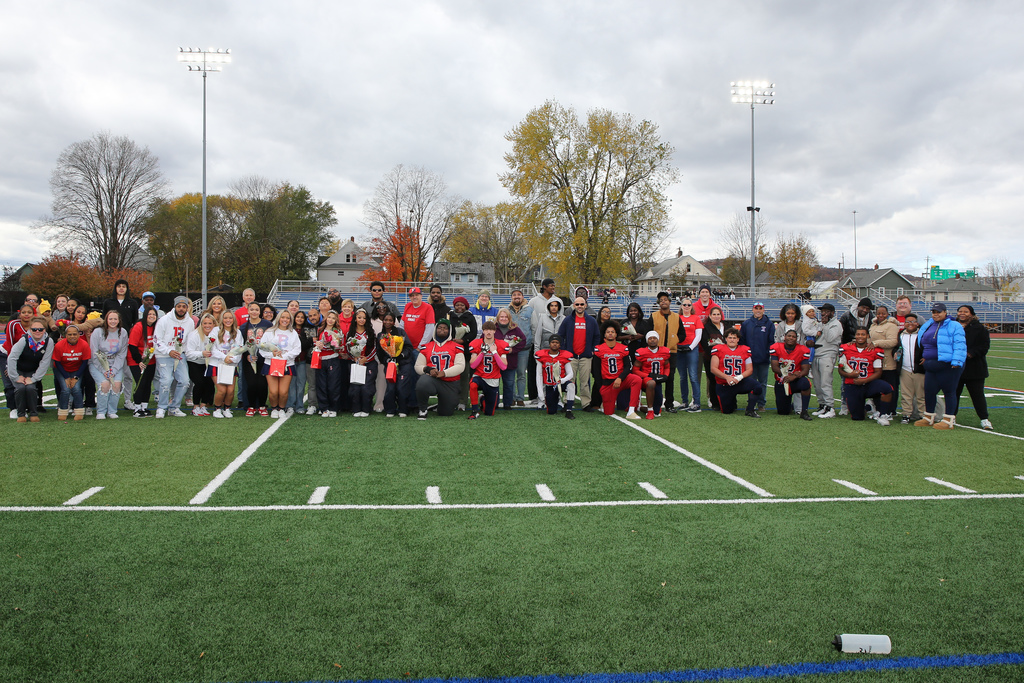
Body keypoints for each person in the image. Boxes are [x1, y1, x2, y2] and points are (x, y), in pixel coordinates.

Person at [914, 303, 966, 430]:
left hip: (947, 364)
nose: (935, 314)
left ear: (945, 312)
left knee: (949, 391)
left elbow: (960, 343)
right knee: (929, 391)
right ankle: (929, 416)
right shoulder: (930, 324)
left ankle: (948, 419)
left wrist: (957, 361)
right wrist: (925, 356)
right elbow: (925, 342)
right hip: (932, 365)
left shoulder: (954, 325)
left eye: (938, 312)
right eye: (933, 312)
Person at [838, 327, 896, 425]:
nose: (860, 336)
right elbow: (840, 370)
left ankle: (883, 415)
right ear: (855, 336)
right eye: (858, 334)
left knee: (887, 388)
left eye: (863, 334)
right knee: (858, 418)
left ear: (868, 336)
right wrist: (849, 375)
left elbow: (878, 372)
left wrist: (864, 381)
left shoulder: (875, 351)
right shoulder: (846, 348)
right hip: (852, 384)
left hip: (869, 383)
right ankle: (867, 407)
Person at [153, 296, 195, 418]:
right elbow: (157, 340)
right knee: (166, 381)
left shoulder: (190, 322)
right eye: (179, 306)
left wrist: (183, 351)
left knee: (185, 381)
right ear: (175, 307)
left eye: (184, 306)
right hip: (164, 354)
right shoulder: (164, 320)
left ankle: (174, 407)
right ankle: (161, 407)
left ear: (187, 308)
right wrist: (169, 351)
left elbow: (188, 340)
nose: (181, 309)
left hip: (179, 355)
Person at [415, 319, 465, 418]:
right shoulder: (427, 347)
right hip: (433, 380)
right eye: (439, 327)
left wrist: (444, 373)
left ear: (449, 330)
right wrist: (428, 370)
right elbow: (417, 366)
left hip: (450, 383)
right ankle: (423, 409)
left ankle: (440, 405)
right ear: (435, 329)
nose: (442, 330)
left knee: (446, 413)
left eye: (445, 328)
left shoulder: (457, 347)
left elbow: (460, 366)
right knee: (422, 382)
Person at [6, 317, 53, 422]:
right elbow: (12, 358)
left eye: (40, 329)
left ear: (45, 330)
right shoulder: (24, 340)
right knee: (20, 388)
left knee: (31, 388)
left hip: (32, 371)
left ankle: (33, 413)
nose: (37, 331)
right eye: (34, 329)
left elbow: (45, 362)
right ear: (30, 329)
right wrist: (15, 377)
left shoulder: (49, 342)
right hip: (18, 370)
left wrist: (34, 378)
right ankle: (21, 414)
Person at [593, 320, 642, 419]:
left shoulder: (623, 348)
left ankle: (631, 411)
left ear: (616, 334)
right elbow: (595, 370)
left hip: (621, 381)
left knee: (637, 379)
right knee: (608, 412)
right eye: (608, 332)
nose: (610, 333)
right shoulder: (599, 349)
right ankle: (606, 402)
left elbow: (628, 366)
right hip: (608, 384)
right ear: (604, 334)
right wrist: (601, 387)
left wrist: (620, 378)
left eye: (612, 332)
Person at [558, 296, 600, 413]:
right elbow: (560, 335)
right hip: (571, 356)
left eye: (582, 304)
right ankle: (567, 402)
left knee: (585, 381)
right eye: (577, 304)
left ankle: (586, 403)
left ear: (585, 305)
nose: (580, 307)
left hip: (585, 356)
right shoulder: (567, 320)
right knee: (569, 381)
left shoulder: (591, 321)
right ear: (573, 306)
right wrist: (564, 351)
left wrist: (592, 350)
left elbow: (597, 336)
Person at [954, 305, 991, 430]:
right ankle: (951, 417)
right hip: (956, 367)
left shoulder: (979, 328)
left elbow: (984, 346)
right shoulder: (953, 326)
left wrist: (970, 353)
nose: (962, 313)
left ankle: (984, 419)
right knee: (954, 393)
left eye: (966, 311)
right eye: (960, 311)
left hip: (975, 368)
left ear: (971, 314)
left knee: (977, 395)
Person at [710, 328, 763, 418]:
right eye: (730, 337)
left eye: (734, 338)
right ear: (726, 338)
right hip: (724, 384)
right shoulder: (718, 349)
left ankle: (750, 410)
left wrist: (738, 378)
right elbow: (713, 368)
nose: (732, 340)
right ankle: (732, 400)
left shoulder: (745, 350)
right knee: (727, 411)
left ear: (738, 339)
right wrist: (727, 377)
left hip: (739, 382)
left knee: (757, 386)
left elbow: (749, 369)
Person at [89, 309, 130, 420]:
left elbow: (122, 354)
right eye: (110, 319)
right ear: (106, 320)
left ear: (119, 320)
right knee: (105, 385)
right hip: (98, 364)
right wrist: (104, 371)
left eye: (115, 319)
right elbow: (94, 353)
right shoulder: (98, 332)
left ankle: (112, 411)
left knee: (116, 385)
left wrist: (114, 370)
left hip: (115, 363)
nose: (112, 321)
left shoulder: (123, 332)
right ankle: (101, 411)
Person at [261, 310, 301, 418]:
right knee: (274, 392)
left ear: (290, 320)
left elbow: (297, 349)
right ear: (279, 318)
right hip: (271, 364)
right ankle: (274, 408)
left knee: (283, 392)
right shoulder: (269, 332)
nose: (285, 320)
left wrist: (284, 357)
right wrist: (272, 355)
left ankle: (282, 408)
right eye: (283, 317)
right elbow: (262, 349)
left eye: (287, 318)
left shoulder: (293, 333)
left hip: (287, 364)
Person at [467, 320, 508, 419]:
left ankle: (482, 399)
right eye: (486, 330)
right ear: (483, 331)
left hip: (493, 379)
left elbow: (503, 367)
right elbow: (472, 365)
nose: (488, 332)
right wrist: (482, 353)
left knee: (489, 413)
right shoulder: (476, 343)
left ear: (494, 331)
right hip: (480, 376)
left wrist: (494, 352)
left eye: (490, 330)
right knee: (472, 385)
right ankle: (474, 410)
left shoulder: (502, 345)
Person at [770, 329, 813, 420]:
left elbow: (806, 369)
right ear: (784, 337)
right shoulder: (776, 347)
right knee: (783, 412)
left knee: (805, 383)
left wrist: (795, 376)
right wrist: (785, 376)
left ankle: (804, 411)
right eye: (789, 336)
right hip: (782, 381)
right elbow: (774, 368)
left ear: (797, 339)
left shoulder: (802, 349)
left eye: (793, 336)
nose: (791, 338)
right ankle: (789, 405)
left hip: (795, 381)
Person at [376, 312, 414, 417]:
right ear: (383, 321)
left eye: (390, 320)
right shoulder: (380, 335)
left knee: (402, 387)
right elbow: (379, 352)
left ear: (394, 322)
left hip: (403, 364)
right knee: (391, 387)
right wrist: (387, 360)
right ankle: (390, 409)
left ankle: (403, 409)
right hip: (390, 365)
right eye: (386, 320)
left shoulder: (401, 333)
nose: (388, 322)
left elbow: (409, 347)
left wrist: (401, 355)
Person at [867, 304, 899, 423]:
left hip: (888, 362)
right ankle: (879, 410)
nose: (881, 315)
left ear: (887, 314)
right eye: (879, 313)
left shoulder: (891, 326)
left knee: (890, 388)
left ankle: (890, 411)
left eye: (883, 313)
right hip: (876, 362)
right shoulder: (873, 325)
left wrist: (876, 343)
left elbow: (893, 342)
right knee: (877, 387)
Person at [52, 323, 91, 421]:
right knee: (65, 389)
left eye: (74, 334)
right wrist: (66, 377)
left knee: (76, 388)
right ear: (65, 335)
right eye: (70, 334)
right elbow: (57, 362)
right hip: (61, 369)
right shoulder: (59, 345)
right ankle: (63, 410)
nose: (72, 336)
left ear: (78, 335)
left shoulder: (84, 344)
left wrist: (76, 377)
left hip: (77, 369)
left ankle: (78, 411)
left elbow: (84, 362)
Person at [649, 292, 681, 411]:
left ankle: (669, 404)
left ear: (670, 302)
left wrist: (674, 341)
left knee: (670, 378)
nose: (663, 302)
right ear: (659, 303)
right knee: (654, 376)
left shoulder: (676, 317)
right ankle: (654, 402)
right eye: (661, 300)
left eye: (665, 299)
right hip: (656, 352)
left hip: (671, 352)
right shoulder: (653, 316)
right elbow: (649, 332)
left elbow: (681, 334)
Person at [239, 302, 272, 417]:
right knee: (251, 383)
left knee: (262, 384)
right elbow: (240, 344)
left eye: (256, 310)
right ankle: (251, 406)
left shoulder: (267, 324)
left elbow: (272, 341)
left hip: (264, 358)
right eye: (251, 309)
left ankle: (262, 406)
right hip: (249, 359)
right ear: (248, 311)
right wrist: (246, 356)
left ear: (260, 312)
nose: (254, 312)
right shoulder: (243, 327)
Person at [740, 302, 774, 412]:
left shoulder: (769, 324)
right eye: (756, 308)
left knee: (763, 382)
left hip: (763, 359)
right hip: (750, 359)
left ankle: (761, 403)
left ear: (764, 310)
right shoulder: (746, 324)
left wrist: (767, 353)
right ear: (752, 310)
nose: (758, 310)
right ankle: (752, 402)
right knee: (751, 382)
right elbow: (742, 341)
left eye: (760, 308)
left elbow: (771, 341)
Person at [209, 309, 243, 418]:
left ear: (233, 319)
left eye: (230, 318)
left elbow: (240, 348)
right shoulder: (215, 331)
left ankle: (227, 408)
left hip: (231, 365)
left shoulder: (237, 332)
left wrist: (233, 359)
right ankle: (217, 409)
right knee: (222, 390)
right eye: (225, 318)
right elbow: (212, 348)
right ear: (221, 319)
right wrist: (224, 357)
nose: (228, 320)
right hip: (217, 364)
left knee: (230, 390)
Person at [812, 303, 843, 419]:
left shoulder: (836, 324)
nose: (824, 314)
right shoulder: (820, 323)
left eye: (826, 311)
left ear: (832, 313)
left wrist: (825, 325)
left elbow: (830, 338)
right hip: (817, 354)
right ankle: (822, 405)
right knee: (817, 383)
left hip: (828, 354)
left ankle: (830, 407)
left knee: (825, 382)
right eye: (822, 311)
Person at [128, 306, 159, 417]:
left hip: (150, 360)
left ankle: (144, 407)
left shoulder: (156, 327)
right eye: (149, 314)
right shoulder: (138, 326)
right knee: (140, 383)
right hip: (136, 360)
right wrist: (138, 361)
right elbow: (132, 346)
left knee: (147, 384)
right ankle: (136, 408)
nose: (152, 316)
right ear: (145, 315)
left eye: (154, 314)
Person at [345, 308, 377, 417]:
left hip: (369, 363)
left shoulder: (371, 332)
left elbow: (375, 348)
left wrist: (366, 358)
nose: (362, 320)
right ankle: (356, 409)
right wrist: (354, 357)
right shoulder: (350, 333)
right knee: (355, 387)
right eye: (359, 318)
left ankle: (366, 408)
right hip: (355, 363)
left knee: (367, 387)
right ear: (355, 319)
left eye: (364, 318)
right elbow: (347, 348)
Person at [535, 334, 575, 419]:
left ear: (560, 345)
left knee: (571, 385)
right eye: (553, 342)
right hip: (550, 386)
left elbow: (570, 373)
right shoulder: (541, 356)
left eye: (557, 342)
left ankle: (569, 411)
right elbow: (539, 375)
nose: (555, 344)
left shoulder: (565, 356)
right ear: (549, 344)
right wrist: (540, 392)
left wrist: (562, 380)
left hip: (561, 383)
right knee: (551, 411)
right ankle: (557, 400)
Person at [184, 313, 217, 417]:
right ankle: (196, 406)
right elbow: (188, 353)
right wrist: (201, 353)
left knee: (210, 383)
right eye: (205, 323)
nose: (207, 325)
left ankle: (203, 405)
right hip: (195, 362)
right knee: (199, 382)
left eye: (210, 323)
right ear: (201, 324)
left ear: (214, 324)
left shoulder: (216, 334)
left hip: (209, 362)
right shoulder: (194, 335)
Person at [448, 296, 478, 411]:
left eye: (461, 305)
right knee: (450, 376)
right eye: (457, 305)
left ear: (465, 306)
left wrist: (463, 340)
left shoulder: (470, 317)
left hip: (464, 351)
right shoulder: (449, 315)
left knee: (464, 377)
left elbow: (473, 333)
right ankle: (450, 399)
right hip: (450, 350)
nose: (459, 307)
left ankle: (462, 401)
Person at [534, 298, 564, 409]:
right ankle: (541, 400)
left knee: (558, 376)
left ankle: (559, 399)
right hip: (544, 353)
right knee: (542, 378)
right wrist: (536, 353)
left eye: (556, 305)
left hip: (558, 354)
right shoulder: (542, 317)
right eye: (552, 305)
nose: (554, 307)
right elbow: (538, 336)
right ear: (548, 307)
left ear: (559, 307)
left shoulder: (563, 319)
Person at [633, 330, 671, 419]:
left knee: (657, 412)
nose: (652, 340)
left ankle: (646, 408)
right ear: (647, 340)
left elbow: (667, 366)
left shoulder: (664, 351)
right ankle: (650, 410)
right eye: (650, 338)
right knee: (651, 383)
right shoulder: (642, 352)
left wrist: (665, 375)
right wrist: (649, 376)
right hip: (646, 379)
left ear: (658, 340)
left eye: (654, 338)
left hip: (658, 379)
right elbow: (635, 370)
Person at [494, 308, 526, 411]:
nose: (503, 319)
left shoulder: (515, 329)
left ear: (509, 318)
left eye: (506, 317)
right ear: (498, 318)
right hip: (495, 362)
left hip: (510, 361)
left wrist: (513, 350)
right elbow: (484, 338)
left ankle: (507, 403)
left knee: (509, 383)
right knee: (494, 384)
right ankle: (494, 402)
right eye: (501, 317)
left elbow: (523, 340)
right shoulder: (493, 328)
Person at [898, 313, 927, 424]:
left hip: (919, 369)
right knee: (906, 394)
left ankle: (923, 414)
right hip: (905, 369)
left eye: (912, 321)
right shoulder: (900, 334)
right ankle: (906, 414)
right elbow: (897, 348)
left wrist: (926, 357)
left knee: (921, 394)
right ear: (904, 324)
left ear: (917, 323)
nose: (910, 324)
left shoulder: (922, 335)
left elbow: (928, 348)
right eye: (908, 322)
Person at [506, 289, 534, 406]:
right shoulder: (506, 311)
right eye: (514, 295)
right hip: (511, 349)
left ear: (522, 297)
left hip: (524, 348)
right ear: (511, 297)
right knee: (511, 374)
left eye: (519, 295)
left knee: (521, 374)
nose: (516, 297)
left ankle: (520, 397)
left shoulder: (529, 310)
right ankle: (511, 397)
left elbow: (533, 326)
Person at [675, 298, 703, 413]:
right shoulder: (677, 318)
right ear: (681, 306)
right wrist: (677, 346)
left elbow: (698, 335)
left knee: (693, 376)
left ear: (692, 307)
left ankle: (696, 402)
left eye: (689, 305)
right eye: (684, 304)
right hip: (679, 349)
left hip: (691, 349)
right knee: (682, 377)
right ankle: (685, 401)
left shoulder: (696, 318)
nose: (686, 306)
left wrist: (690, 347)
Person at [315, 310, 344, 417]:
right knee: (321, 384)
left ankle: (334, 407)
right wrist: (317, 344)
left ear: (336, 320)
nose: (331, 320)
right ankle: (324, 408)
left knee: (333, 385)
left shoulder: (338, 332)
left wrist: (335, 345)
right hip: (321, 360)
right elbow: (315, 344)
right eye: (329, 317)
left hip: (333, 359)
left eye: (333, 318)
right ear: (325, 318)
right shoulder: (319, 330)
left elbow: (341, 347)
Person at [286, 310, 314, 416]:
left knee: (301, 384)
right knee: (291, 384)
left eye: (302, 317)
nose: (300, 319)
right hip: (291, 361)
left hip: (302, 361)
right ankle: (290, 406)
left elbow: (309, 343)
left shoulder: (307, 330)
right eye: (298, 317)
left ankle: (299, 405)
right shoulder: (289, 330)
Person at [700, 306, 727, 411]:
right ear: (710, 316)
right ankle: (715, 402)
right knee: (713, 380)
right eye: (714, 314)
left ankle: (727, 400)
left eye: (718, 314)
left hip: (726, 358)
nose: (716, 316)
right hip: (711, 357)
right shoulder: (706, 327)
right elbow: (705, 344)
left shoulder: (726, 325)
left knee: (725, 379)